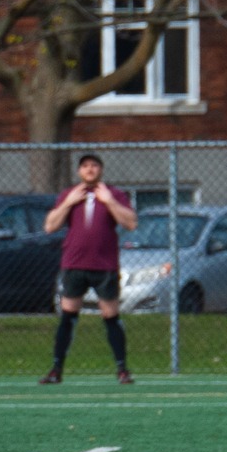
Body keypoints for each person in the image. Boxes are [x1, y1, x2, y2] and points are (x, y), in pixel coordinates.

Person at [41, 153, 138, 385]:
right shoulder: (70, 194)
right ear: (79, 171)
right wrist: (68, 203)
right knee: (68, 316)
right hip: (74, 264)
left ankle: (122, 369)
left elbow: (131, 223)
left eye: (94, 166)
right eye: (85, 166)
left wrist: (109, 201)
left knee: (111, 316)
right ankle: (56, 369)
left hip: (104, 265)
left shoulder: (114, 194)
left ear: (101, 169)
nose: (90, 170)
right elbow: (50, 226)